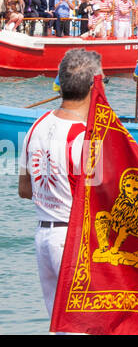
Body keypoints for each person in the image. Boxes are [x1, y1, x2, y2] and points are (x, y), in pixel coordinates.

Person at [19, 47, 97, 316]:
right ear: (92, 87)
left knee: (59, 322)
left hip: (43, 236)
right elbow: (98, 199)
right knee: (84, 324)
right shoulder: (85, 136)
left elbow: (24, 190)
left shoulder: (34, 126)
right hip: (73, 239)